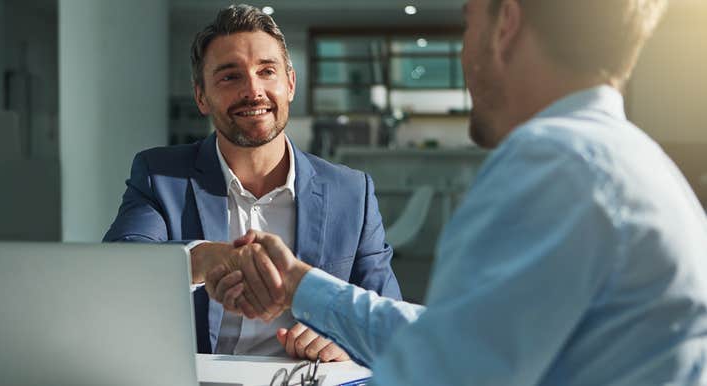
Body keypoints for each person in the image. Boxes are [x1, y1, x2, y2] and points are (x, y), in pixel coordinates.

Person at [207, 0, 707, 384]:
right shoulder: (629, 160)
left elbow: (436, 372)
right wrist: (301, 286)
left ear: (506, 24)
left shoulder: (553, 162)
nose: (466, 51)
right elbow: (457, 338)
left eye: (469, 23)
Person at [103, 4, 401, 360]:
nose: (253, 90)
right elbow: (117, 269)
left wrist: (348, 340)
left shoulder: (352, 193)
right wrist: (205, 258)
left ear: (290, 84)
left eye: (266, 71)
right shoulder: (159, 175)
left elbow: (388, 319)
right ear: (201, 97)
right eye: (230, 77)